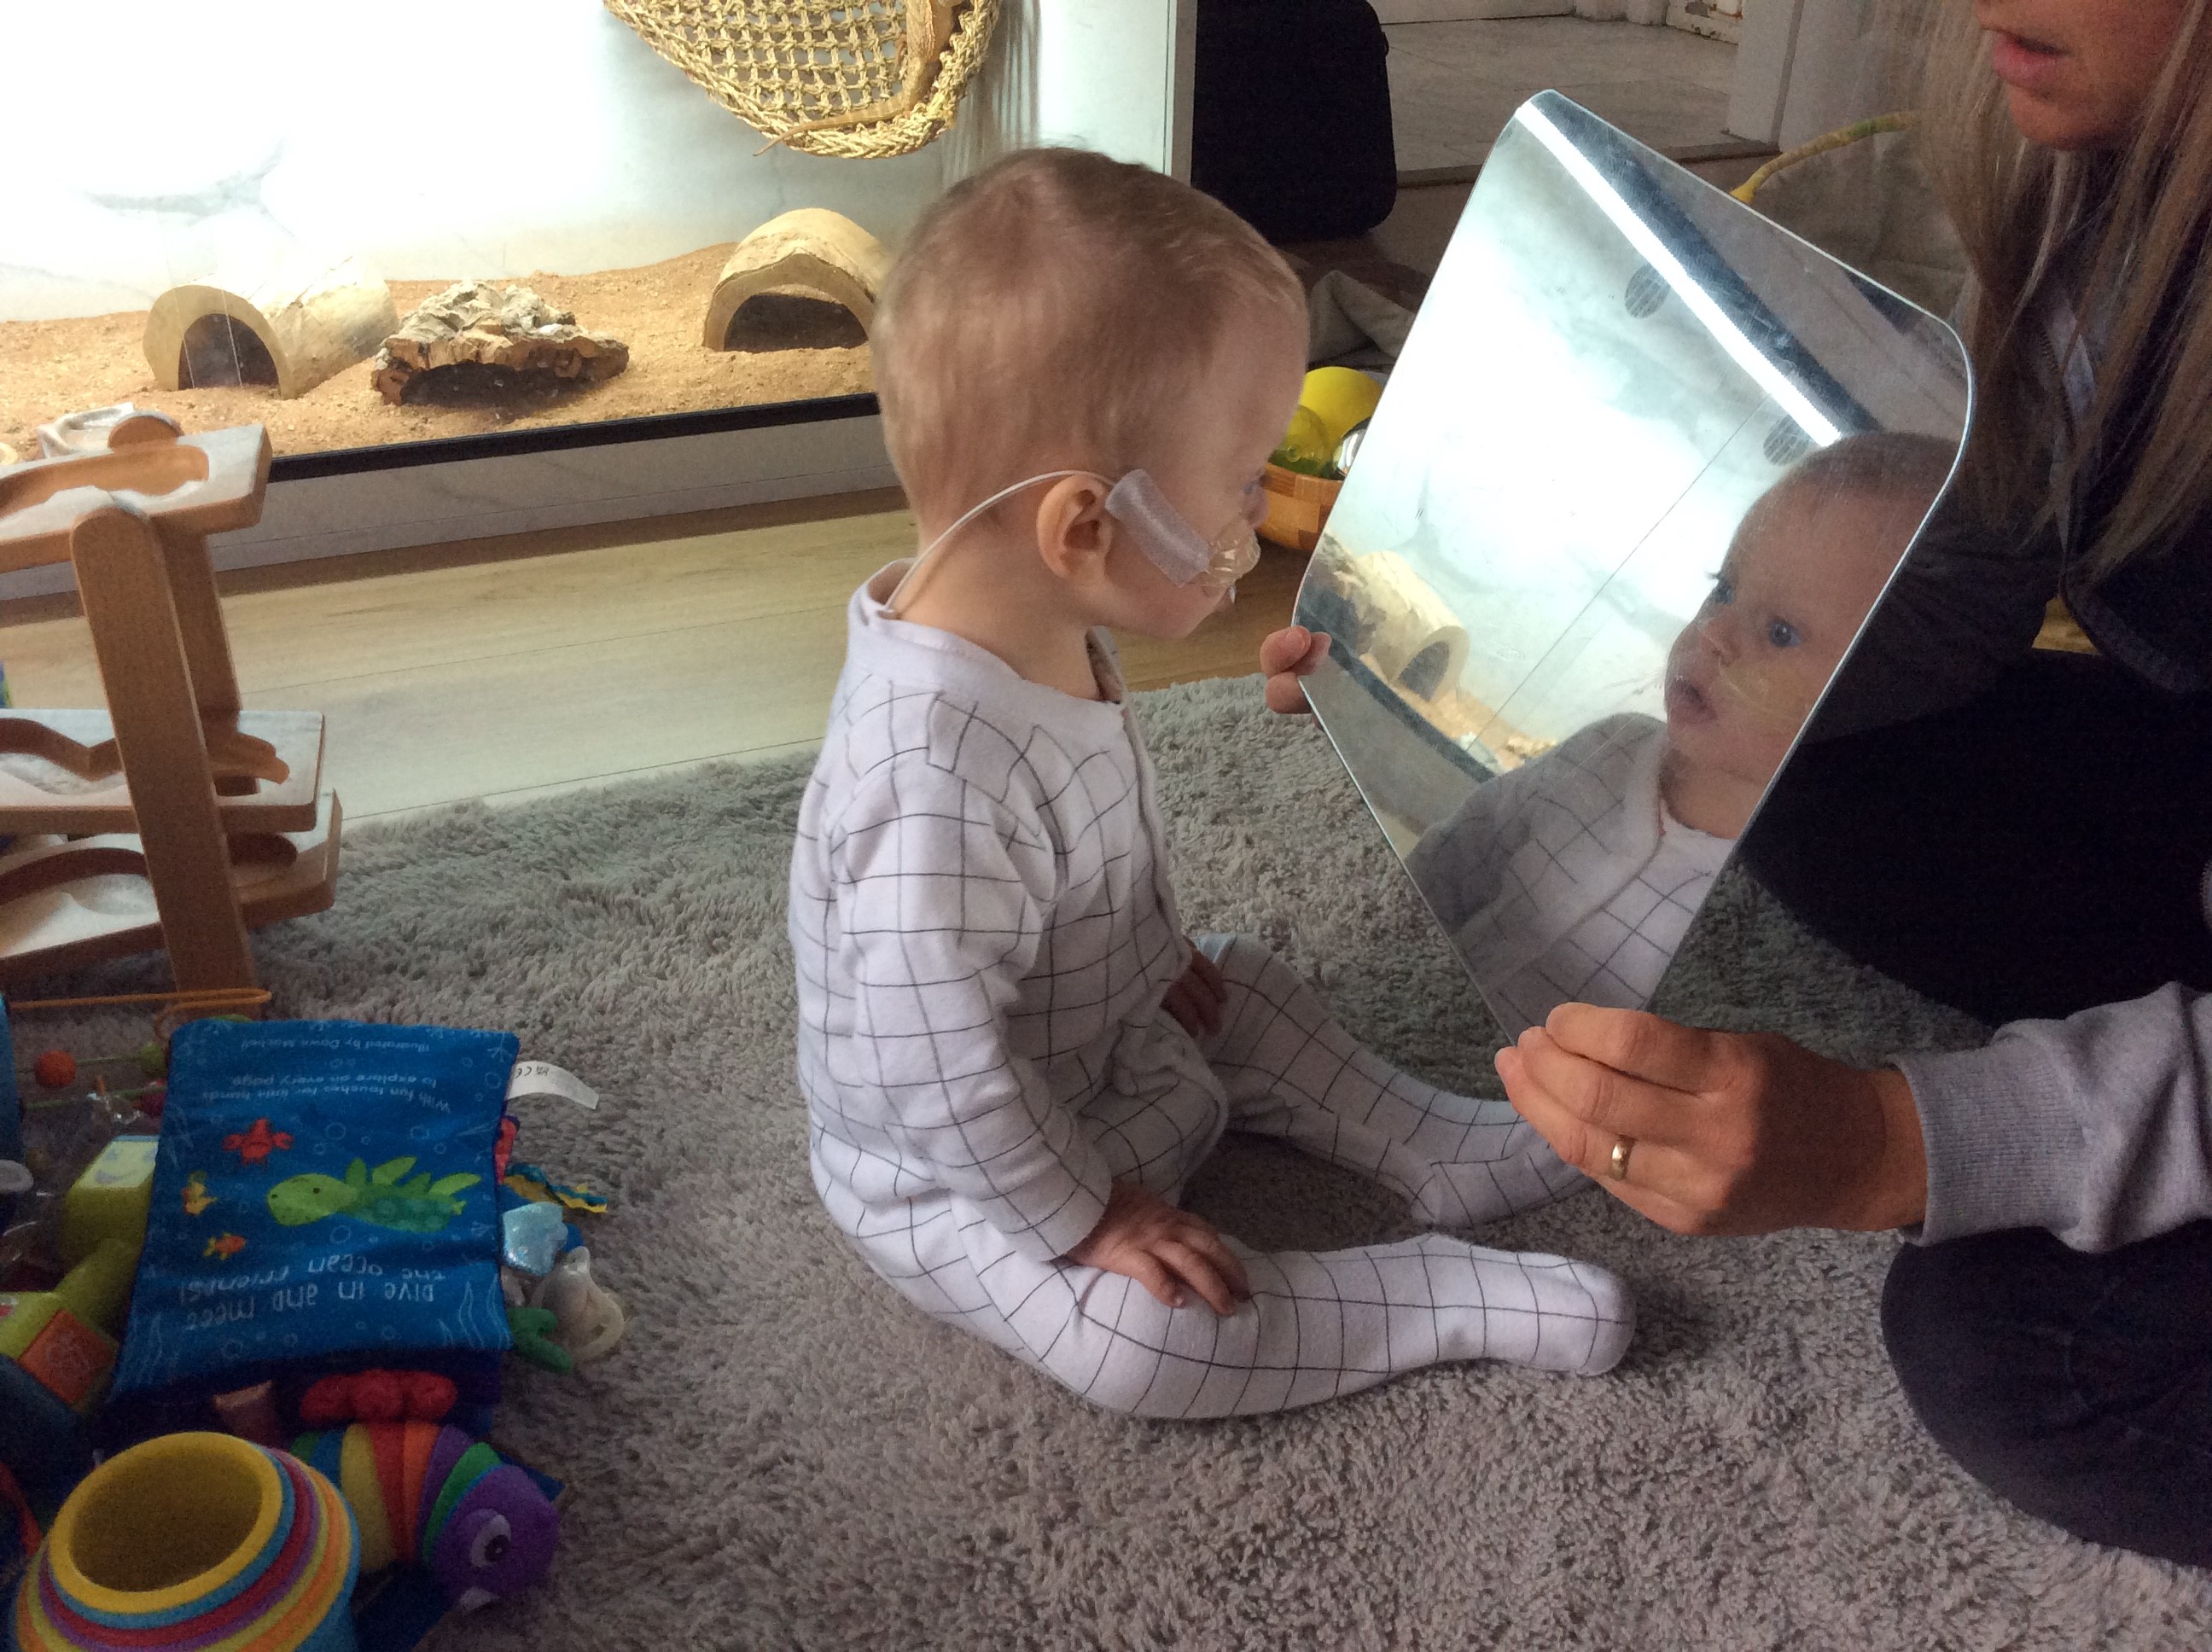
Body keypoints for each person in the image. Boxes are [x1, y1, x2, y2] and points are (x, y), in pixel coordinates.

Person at [1266, 0, 2212, 1567]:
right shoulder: (2099, 189)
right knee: (1812, 777)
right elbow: (1966, 600)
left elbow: (1924, 1157)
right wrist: (1666, 672)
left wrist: (1893, 1143)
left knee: (2014, 1346)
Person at [789, 148, 1628, 1424]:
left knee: (1241, 981)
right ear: (1083, 526)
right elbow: (944, 1081)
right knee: (1146, 1343)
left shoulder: (1033, 614)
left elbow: (1089, 855)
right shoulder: (927, 779)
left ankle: (1430, 1144)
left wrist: (1147, 962)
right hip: (955, 1173)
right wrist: (1096, 1216)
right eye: (1241, 487)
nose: (1253, 525)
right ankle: (1425, 1288)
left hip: (1094, 1047)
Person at [1401, 433, 1948, 1034]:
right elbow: (1450, 865)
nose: (1713, 631)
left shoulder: (1803, 913)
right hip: (1410, 1020)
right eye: (1725, 588)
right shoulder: (1606, 750)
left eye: (1781, 633)